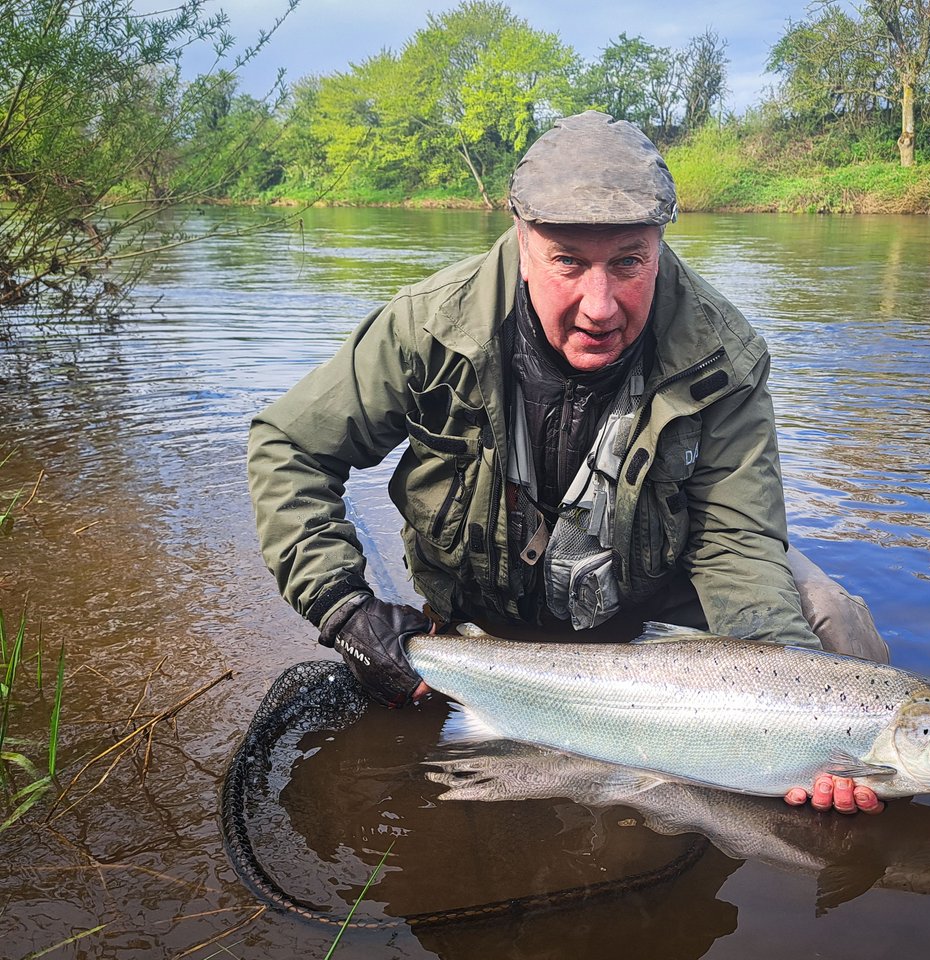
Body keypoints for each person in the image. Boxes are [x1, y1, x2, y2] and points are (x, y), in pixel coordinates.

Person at [247, 111, 887, 814]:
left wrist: (791, 720)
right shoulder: (428, 329)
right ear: (522, 242)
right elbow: (290, 447)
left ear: (660, 245)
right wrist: (344, 608)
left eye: (628, 262)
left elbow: (737, 541)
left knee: (833, 624)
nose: (600, 305)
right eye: (568, 262)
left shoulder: (722, 355)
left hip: (652, 614)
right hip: (487, 616)